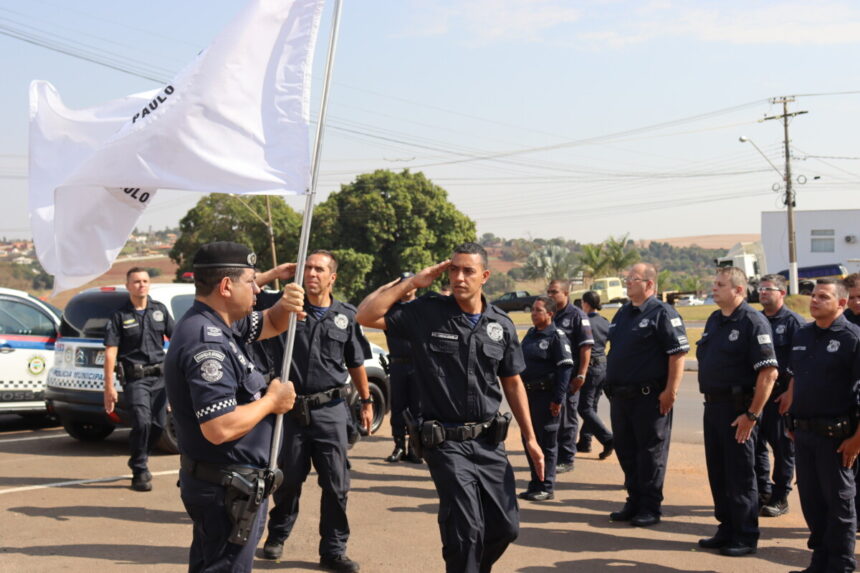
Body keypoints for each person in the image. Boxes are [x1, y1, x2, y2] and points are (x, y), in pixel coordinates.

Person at [356, 242, 544, 573]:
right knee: (466, 533)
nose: (459, 277)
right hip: (446, 443)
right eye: (454, 269)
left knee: (505, 528)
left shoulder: (500, 324)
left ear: (484, 276)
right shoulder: (427, 313)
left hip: (488, 442)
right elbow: (366, 314)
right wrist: (412, 282)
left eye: (468, 271)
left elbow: (513, 383)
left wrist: (530, 439)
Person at [164, 241, 305, 573]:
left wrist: (286, 305)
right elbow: (219, 427)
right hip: (227, 489)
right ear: (226, 286)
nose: (257, 289)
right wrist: (272, 401)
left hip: (229, 485)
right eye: (250, 281)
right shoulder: (206, 339)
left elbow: (271, 322)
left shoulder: (220, 323)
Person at [261, 250, 373, 573]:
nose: (311, 273)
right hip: (292, 411)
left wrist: (365, 401)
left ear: (331, 277)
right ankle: (277, 536)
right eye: (307, 268)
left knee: (336, 484)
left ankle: (334, 550)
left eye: (319, 269)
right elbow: (250, 293)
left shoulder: (345, 316)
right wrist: (275, 275)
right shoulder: (285, 308)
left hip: (332, 411)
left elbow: (355, 362)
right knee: (289, 480)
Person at [696, 266, 778, 557]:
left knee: (740, 475)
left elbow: (768, 374)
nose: (713, 288)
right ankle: (727, 527)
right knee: (718, 472)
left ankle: (745, 534)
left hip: (739, 410)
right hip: (713, 406)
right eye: (714, 283)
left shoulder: (753, 322)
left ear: (739, 290)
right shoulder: (715, 320)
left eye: (720, 284)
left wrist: (752, 415)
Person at [781, 278, 860, 573]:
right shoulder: (802, 335)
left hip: (837, 438)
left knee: (839, 504)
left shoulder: (853, 338)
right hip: (804, 434)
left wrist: (857, 440)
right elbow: (798, 379)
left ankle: (840, 564)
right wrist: (792, 420)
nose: (814, 300)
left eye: (823, 297)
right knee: (812, 502)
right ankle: (820, 560)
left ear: (841, 303)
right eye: (813, 295)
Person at [605, 263, 688, 528]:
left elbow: (677, 354)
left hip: (649, 397)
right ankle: (634, 499)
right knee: (626, 451)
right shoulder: (623, 313)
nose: (627, 282)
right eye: (627, 278)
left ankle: (650, 506)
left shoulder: (662, 313)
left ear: (649, 284)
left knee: (650, 453)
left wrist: (670, 391)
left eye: (633, 279)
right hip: (621, 397)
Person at [103, 267, 175, 492]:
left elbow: (179, 340)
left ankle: (141, 455)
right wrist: (108, 388)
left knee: (157, 425)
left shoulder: (160, 311)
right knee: (142, 421)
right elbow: (110, 353)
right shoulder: (119, 316)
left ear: (149, 284)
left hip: (160, 378)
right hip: (136, 379)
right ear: (128, 286)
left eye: (144, 281)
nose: (141, 285)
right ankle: (139, 468)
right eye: (136, 281)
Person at [754, 274, 804, 518]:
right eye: (760, 289)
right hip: (757, 394)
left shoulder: (794, 322)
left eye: (768, 289)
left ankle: (780, 495)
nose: (763, 293)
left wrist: (790, 394)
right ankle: (762, 491)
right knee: (756, 446)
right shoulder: (755, 319)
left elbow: (801, 362)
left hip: (781, 395)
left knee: (783, 448)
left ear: (782, 293)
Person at [518, 295, 574, 501]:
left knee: (547, 442)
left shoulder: (556, 336)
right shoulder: (532, 334)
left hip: (547, 396)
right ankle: (535, 483)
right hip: (528, 396)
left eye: (538, 310)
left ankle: (546, 486)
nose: (533, 314)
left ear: (550, 314)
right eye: (532, 310)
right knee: (530, 440)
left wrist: (558, 399)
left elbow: (565, 369)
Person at [546, 279, 593, 473]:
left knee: (568, 418)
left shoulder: (577, 316)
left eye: (554, 292)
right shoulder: (549, 315)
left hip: (570, 375)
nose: (550, 295)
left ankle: (567, 458)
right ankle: (555, 454)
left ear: (566, 293)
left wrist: (581, 374)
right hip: (551, 377)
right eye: (548, 292)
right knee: (554, 417)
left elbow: (586, 347)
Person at [383, 272, 423, 463]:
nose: (407, 287)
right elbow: (368, 306)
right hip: (397, 364)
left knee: (418, 408)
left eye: (410, 283)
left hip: (418, 365)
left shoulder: (422, 308)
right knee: (397, 407)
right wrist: (390, 286)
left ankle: (415, 448)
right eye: (403, 283)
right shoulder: (390, 308)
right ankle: (398, 446)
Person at [576, 290, 614, 460]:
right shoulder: (605, 322)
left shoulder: (584, 322)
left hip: (589, 367)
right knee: (592, 406)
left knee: (584, 408)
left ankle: (608, 439)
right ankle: (585, 441)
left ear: (586, 304)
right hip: (603, 365)